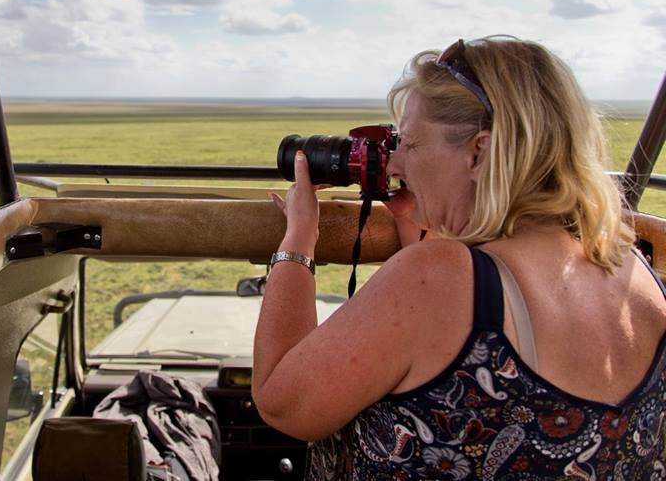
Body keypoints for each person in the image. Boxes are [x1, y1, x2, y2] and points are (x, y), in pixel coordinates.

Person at [252, 36, 666, 479]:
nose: (395, 166)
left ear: (480, 151)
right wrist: (426, 219)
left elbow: (283, 402)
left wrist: (298, 238)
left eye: (409, 144)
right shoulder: (636, 271)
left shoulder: (437, 279)